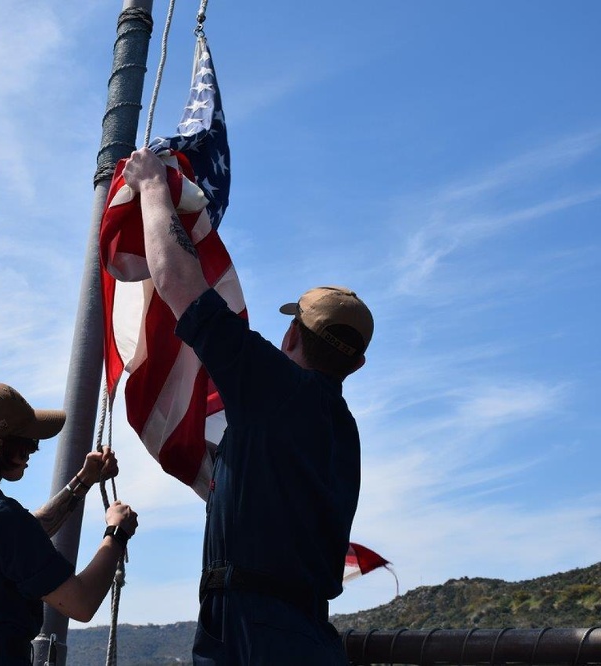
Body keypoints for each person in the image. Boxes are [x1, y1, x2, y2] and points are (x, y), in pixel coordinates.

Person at [122, 147, 374, 665]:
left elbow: (179, 285)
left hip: (251, 636)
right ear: (357, 365)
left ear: (288, 337)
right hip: (303, 631)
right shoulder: (340, 430)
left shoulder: (275, 388)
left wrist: (151, 185)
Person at [0, 382, 139, 665]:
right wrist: (117, 533)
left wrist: (83, 481)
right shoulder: (0, 518)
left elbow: (21, 536)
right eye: (26, 446)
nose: (31, 456)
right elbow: (81, 603)